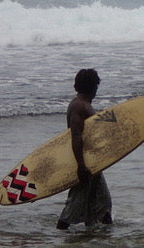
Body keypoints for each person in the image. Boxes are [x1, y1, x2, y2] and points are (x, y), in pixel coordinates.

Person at [57, 69, 112, 229]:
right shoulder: (79, 106)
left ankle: (101, 238)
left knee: (104, 205)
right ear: (94, 87)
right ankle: (57, 237)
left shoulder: (83, 105)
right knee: (74, 206)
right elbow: (76, 136)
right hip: (84, 163)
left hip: (92, 164)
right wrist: (81, 166)